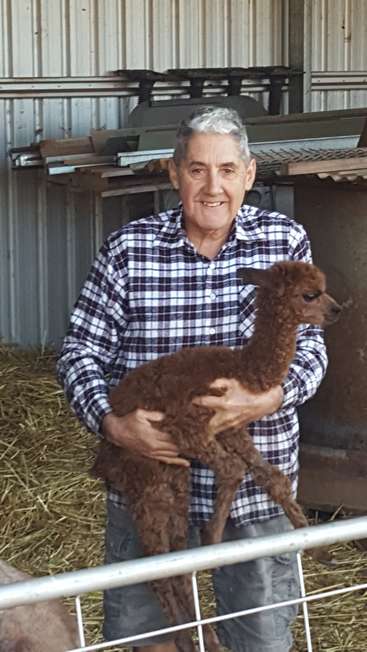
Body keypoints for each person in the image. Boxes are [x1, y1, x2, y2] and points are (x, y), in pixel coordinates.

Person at [57, 106, 327, 652]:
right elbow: (78, 351)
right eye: (198, 169)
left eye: (227, 170)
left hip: (251, 491)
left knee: (261, 639)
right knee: (150, 638)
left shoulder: (284, 242)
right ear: (174, 173)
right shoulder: (129, 251)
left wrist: (270, 396)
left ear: (249, 175)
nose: (213, 187)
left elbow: (315, 347)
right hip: (151, 478)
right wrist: (113, 424)